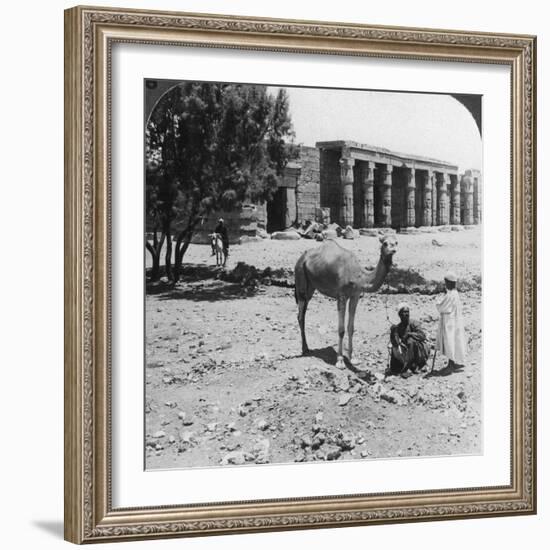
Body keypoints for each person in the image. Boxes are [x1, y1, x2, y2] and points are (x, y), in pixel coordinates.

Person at [435, 272, 467, 368]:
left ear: (449, 283)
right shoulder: (455, 294)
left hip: (449, 322)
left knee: (449, 341)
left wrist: (438, 300)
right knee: (455, 340)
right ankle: (454, 362)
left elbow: (441, 307)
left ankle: (451, 364)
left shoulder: (450, 295)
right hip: (455, 321)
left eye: (446, 283)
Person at [389, 302, 430, 376]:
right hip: (406, 351)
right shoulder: (399, 327)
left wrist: (410, 334)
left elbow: (422, 336)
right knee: (393, 347)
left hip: (420, 350)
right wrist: (393, 333)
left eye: (407, 312)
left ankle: (414, 365)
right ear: (400, 315)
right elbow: (396, 343)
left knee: (411, 341)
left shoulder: (414, 323)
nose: (406, 314)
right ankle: (397, 368)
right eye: (404, 312)